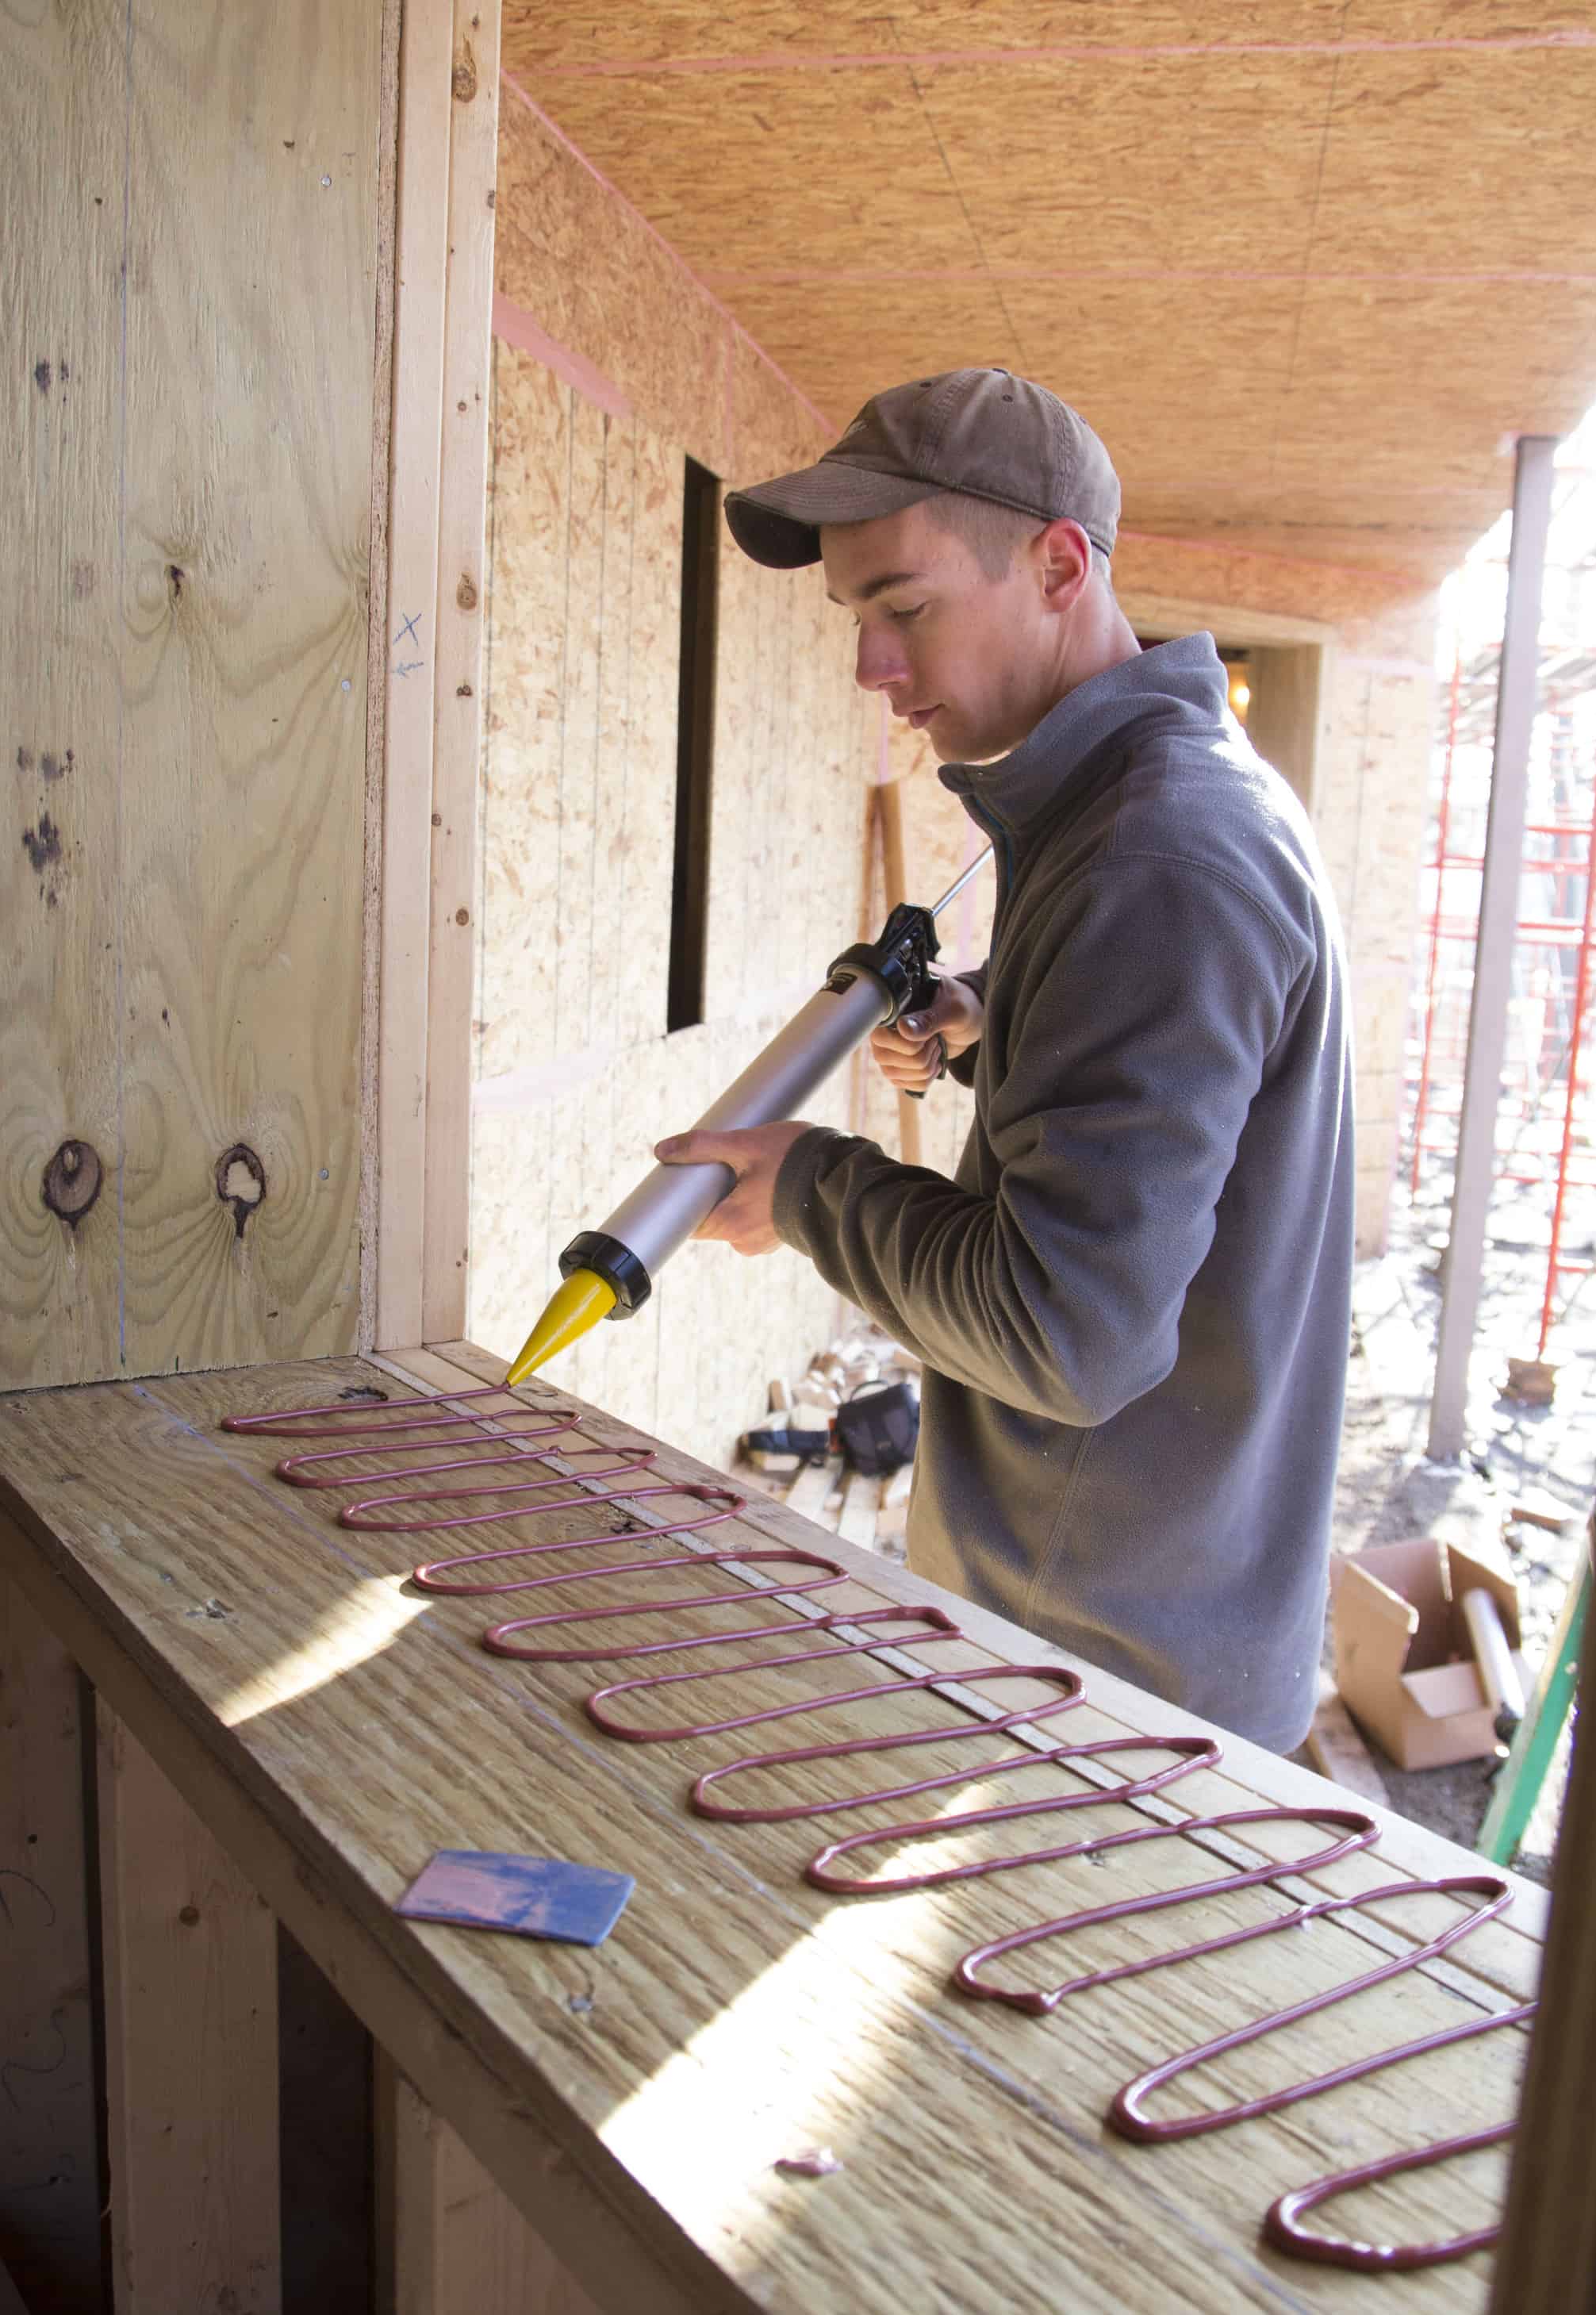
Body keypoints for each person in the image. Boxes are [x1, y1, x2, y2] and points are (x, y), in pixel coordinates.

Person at [654, 367, 1352, 1753]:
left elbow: (1060, 1330)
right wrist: (999, 1016)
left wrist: (805, 1190)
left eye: (903, 608)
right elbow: (1194, 1113)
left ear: (1057, 564)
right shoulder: (1168, 800)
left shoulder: (1156, 856)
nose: (871, 666)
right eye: (859, 617)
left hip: (1099, 1686)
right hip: (1138, 1623)